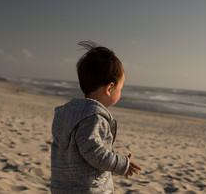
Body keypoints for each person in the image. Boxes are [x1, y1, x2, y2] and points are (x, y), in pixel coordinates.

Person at [50, 41, 141, 193]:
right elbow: (94, 152)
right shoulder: (93, 118)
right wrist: (121, 164)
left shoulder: (69, 114)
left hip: (63, 187)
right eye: (120, 88)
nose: (121, 92)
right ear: (109, 88)